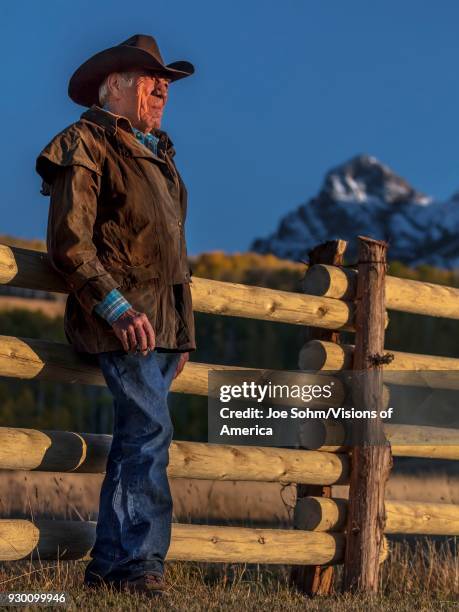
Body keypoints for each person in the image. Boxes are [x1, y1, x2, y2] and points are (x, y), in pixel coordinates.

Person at [35, 34, 196, 595]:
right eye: (151, 79)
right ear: (115, 88)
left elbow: (173, 253)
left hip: (161, 327)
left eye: (166, 83)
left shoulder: (159, 154)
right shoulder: (86, 141)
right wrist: (116, 307)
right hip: (120, 320)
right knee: (149, 432)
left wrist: (182, 336)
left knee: (138, 436)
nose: (163, 90)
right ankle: (139, 567)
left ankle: (108, 567)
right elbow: (70, 243)